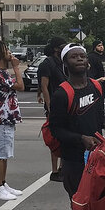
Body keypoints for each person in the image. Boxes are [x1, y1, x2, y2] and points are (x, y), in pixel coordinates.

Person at [48, 44, 105, 210]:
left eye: (82, 55)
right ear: (66, 63)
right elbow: (56, 129)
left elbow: (99, 117)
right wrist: (80, 138)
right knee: (78, 204)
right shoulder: (62, 93)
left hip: (97, 157)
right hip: (73, 159)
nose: (80, 59)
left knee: (95, 204)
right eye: (74, 57)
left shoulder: (96, 86)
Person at [0, 41, 24, 200]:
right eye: (5, 49)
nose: (9, 52)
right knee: (2, 153)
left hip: (6, 117)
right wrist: (16, 67)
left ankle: (3, 183)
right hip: (2, 118)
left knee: (6, 152)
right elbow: (20, 86)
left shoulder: (1, 72)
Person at [39, 37, 68, 182]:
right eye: (62, 46)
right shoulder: (47, 63)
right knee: (54, 138)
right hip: (54, 105)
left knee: (64, 137)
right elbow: (44, 86)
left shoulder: (62, 63)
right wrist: (49, 106)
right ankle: (54, 170)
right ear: (56, 48)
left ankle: (63, 168)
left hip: (65, 103)